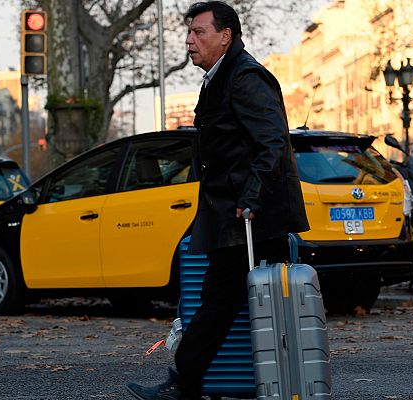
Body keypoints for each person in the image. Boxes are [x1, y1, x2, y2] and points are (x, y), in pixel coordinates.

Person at [126, 2, 309, 399]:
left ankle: (188, 385)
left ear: (225, 36)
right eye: (189, 33)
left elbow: (273, 140)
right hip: (238, 212)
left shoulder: (245, 77)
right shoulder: (220, 76)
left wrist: (251, 197)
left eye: (199, 32)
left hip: (251, 215)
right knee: (225, 301)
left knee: (222, 302)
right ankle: (201, 384)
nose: (190, 41)